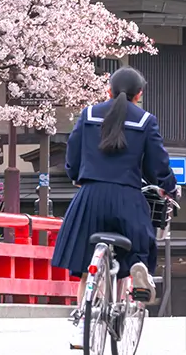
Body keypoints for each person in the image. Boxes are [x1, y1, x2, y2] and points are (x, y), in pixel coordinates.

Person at [52, 67, 180, 350]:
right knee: (139, 245)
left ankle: (83, 323)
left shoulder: (88, 115)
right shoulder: (145, 120)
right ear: (139, 94)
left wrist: (77, 175)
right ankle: (137, 267)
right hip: (127, 199)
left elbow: (72, 156)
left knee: (86, 266)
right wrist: (169, 187)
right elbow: (157, 166)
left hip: (90, 197)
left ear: (108, 90)